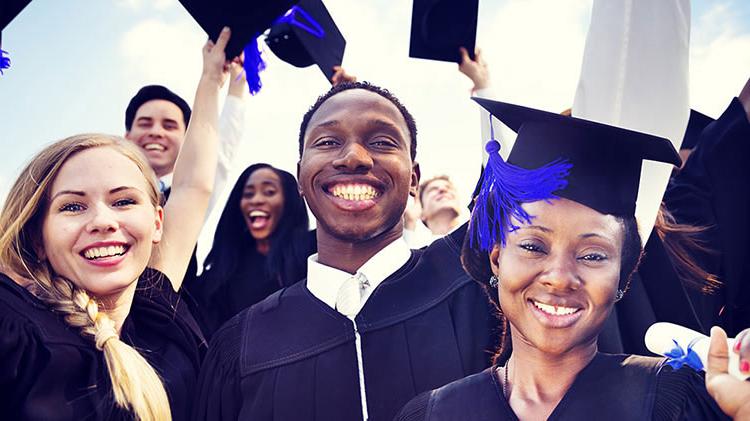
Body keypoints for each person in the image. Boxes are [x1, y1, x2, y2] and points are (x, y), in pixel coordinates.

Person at [397, 99, 730, 421]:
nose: (559, 277)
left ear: (621, 277)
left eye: (592, 255)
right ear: (497, 259)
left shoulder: (677, 402)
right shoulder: (433, 414)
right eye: (533, 246)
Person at [192, 81, 497, 421]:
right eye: (327, 142)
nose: (353, 157)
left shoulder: (476, 290)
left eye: (382, 142)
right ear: (300, 177)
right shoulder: (241, 346)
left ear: (413, 179)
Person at [0, 28, 232, 421]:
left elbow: (193, 186)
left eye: (124, 201)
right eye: (72, 207)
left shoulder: (159, 314)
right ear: (38, 236)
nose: (103, 221)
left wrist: (213, 79)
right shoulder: (14, 329)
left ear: (158, 222)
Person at [184, 163, 316, 337]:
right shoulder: (221, 276)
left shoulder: (314, 253)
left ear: (289, 201)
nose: (256, 200)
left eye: (269, 191)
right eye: (248, 194)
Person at [124, 54, 247, 206]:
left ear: (186, 140)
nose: (156, 132)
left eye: (169, 126)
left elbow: (221, 149)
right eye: (145, 124)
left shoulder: (192, 195)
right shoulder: (103, 187)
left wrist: (238, 81)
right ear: (127, 138)